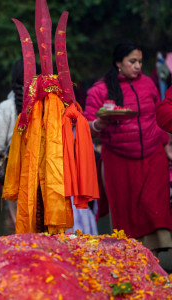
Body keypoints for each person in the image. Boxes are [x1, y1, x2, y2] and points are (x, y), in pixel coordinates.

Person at [84, 40, 172, 256]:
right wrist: (99, 123)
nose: (138, 66)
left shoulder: (149, 84)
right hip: (118, 160)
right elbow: (85, 129)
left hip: (153, 156)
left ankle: (156, 261)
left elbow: (158, 115)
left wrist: (166, 144)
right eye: (132, 61)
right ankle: (131, 261)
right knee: (126, 212)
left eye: (140, 62)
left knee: (155, 210)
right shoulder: (100, 89)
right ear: (118, 63)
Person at [0, 59, 25, 229]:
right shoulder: (48, 106)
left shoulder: (6, 108)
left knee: (17, 226)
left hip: (14, 175)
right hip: (45, 176)